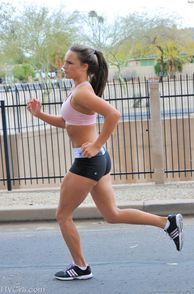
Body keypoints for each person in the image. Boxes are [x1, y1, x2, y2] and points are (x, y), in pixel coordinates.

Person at [27, 44, 183, 281]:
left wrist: (97, 143)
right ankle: (167, 222)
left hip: (88, 162)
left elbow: (114, 114)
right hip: (97, 161)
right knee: (112, 213)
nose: (64, 66)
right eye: (65, 62)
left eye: (70, 62)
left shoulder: (82, 92)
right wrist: (39, 115)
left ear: (84, 66)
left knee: (62, 215)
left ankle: (80, 267)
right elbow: (66, 122)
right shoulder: (78, 90)